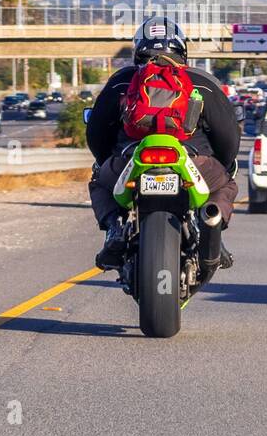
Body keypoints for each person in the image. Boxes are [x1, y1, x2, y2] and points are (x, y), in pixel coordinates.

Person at [86, 16, 241, 272]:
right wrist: (223, 166)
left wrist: (107, 163)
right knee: (226, 183)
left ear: (138, 50)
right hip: (192, 161)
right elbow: (227, 137)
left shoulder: (121, 81)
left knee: (98, 181)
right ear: (182, 51)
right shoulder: (201, 82)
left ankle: (115, 227)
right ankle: (211, 222)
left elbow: (97, 132)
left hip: (132, 159)